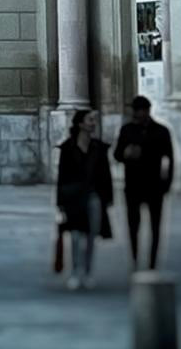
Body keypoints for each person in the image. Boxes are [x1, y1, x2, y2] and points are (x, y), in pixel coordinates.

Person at [114, 95, 174, 270]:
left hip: (155, 186)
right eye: (137, 111)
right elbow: (117, 154)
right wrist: (126, 153)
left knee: (156, 227)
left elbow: (170, 160)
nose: (139, 114)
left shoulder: (161, 131)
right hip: (133, 186)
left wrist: (167, 183)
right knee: (133, 226)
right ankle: (134, 260)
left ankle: (153, 263)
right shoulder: (127, 131)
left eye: (142, 111)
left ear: (148, 111)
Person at [56, 109, 114, 291]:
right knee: (74, 236)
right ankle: (75, 272)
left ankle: (87, 273)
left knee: (90, 237)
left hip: (94, 197)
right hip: (73, 198)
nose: (93, 123)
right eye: (90, 120)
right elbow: (62, 177)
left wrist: (108, 198)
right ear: (80, 124)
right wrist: (60, 202)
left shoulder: (99, 148)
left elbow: (106, 175)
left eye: (94, 120)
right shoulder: (68, 147)